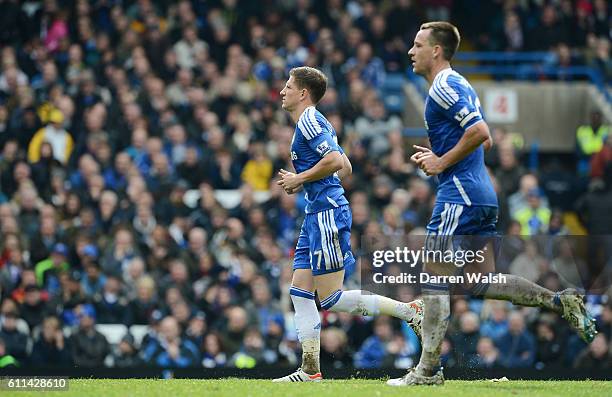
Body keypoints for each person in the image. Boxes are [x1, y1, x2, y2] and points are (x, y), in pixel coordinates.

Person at [387, 21, 596, 387]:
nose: (411, 51)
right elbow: (481, 141)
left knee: (434, 279)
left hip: (461, 195)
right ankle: (560, 302)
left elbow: (481, 133)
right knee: (479, 282)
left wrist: (441, 162)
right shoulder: (458, 84)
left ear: (436, 50)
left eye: (418, 44)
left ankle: (428, 371)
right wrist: (444, 155)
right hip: (481, 194)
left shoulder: (445, 84)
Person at [272, 66, 423, 383]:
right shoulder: (317, 122)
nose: (282, 91)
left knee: (330, 299)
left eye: (288, 86)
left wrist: (300, 178)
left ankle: (410, 311)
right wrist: (314, 179)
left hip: (326, 212)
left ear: (303, 93)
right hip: (316, 213)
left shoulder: (311, 120)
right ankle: (310, 370)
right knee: (300, 292)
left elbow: (338, 163)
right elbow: (347, 165)